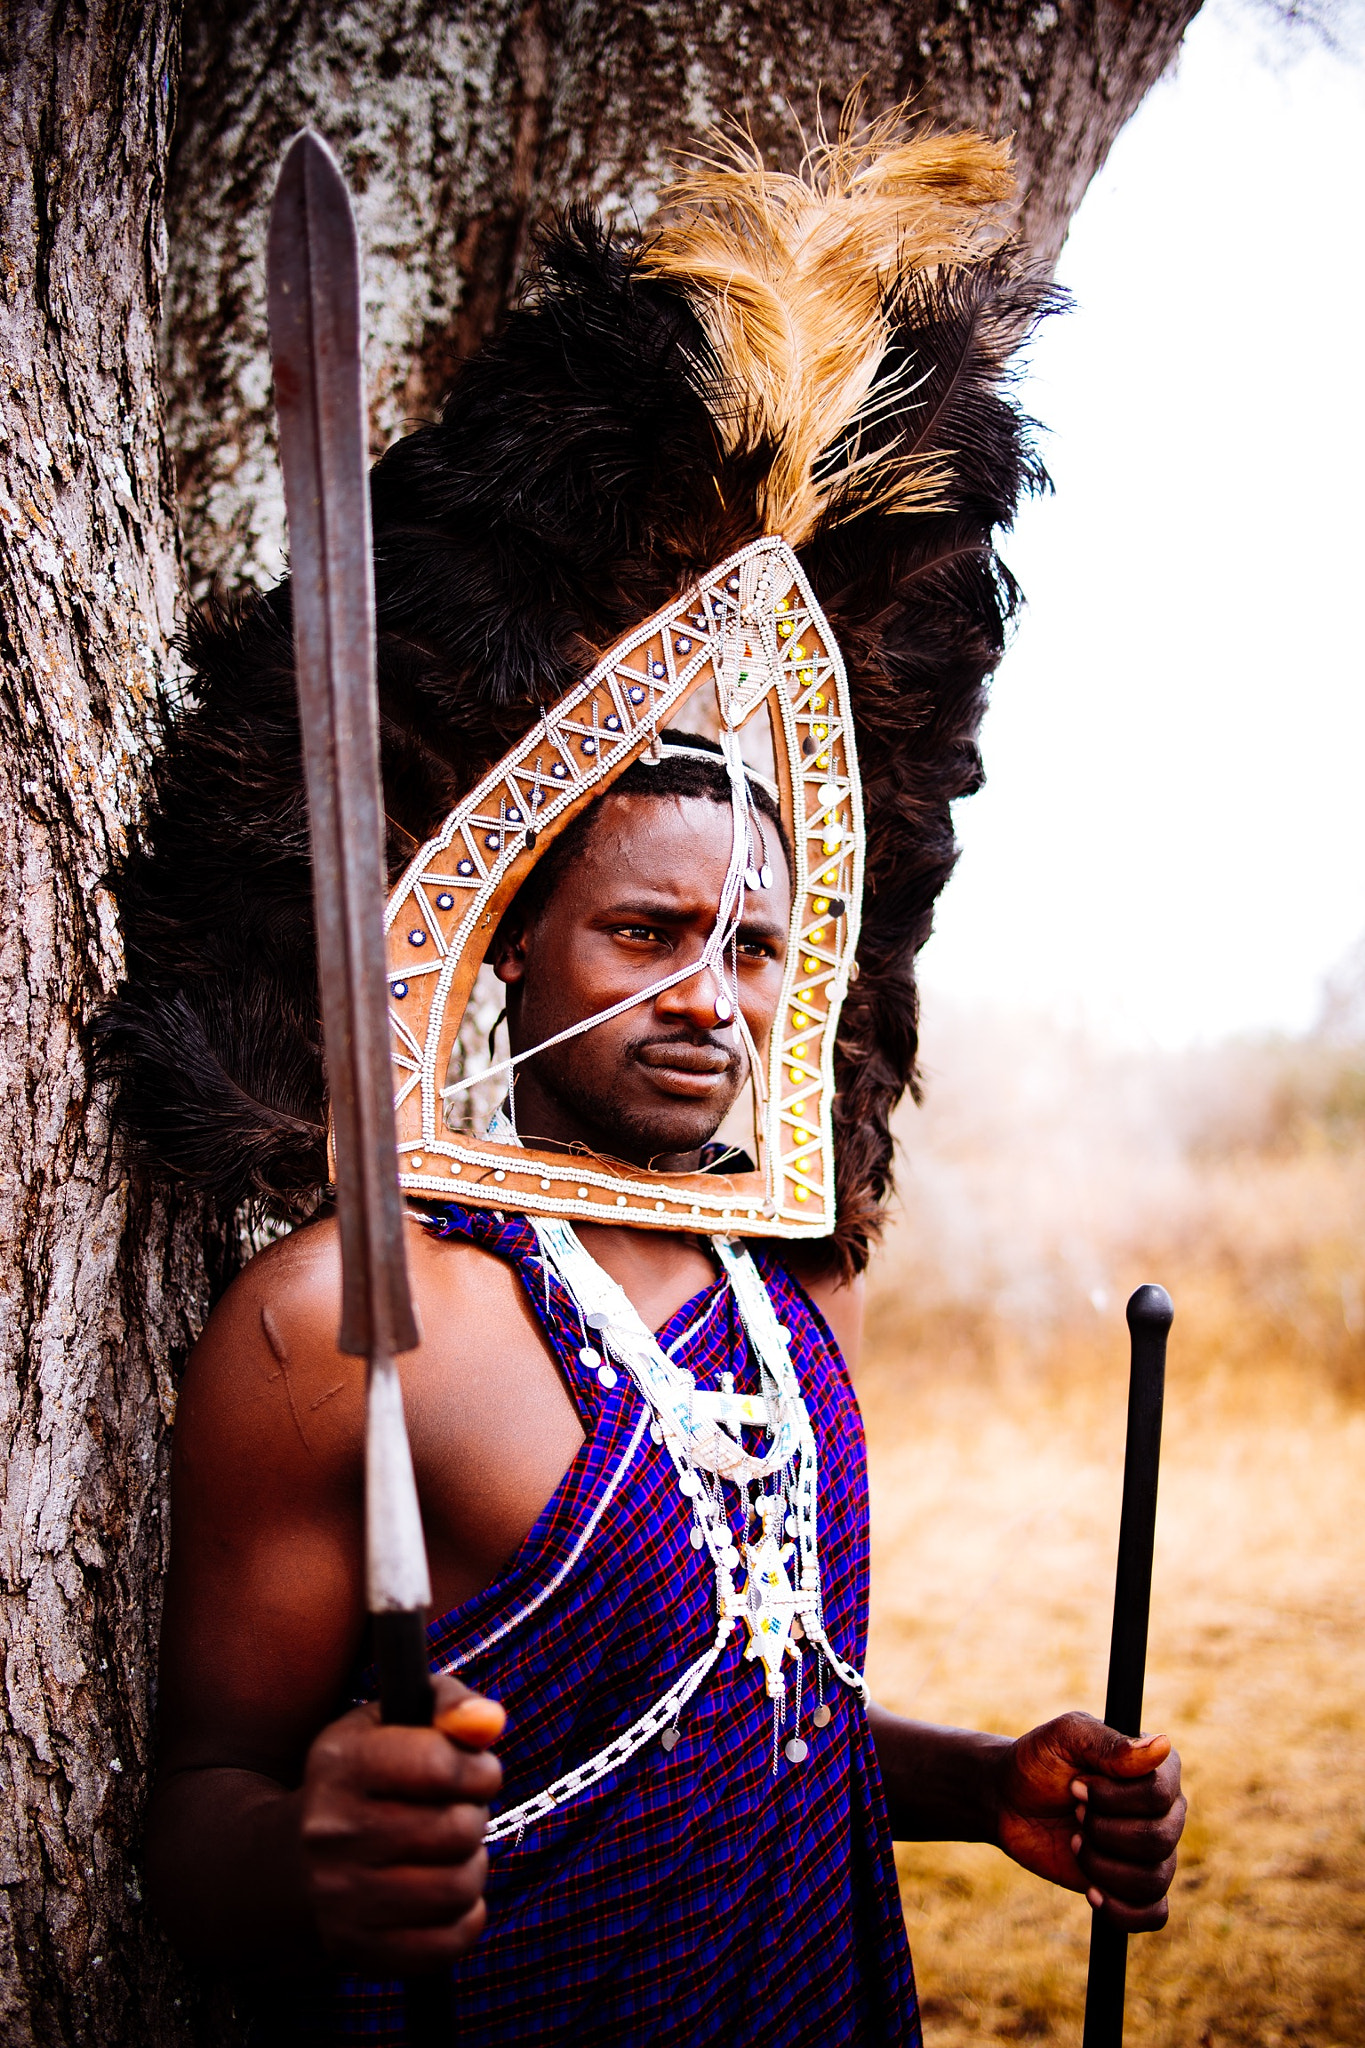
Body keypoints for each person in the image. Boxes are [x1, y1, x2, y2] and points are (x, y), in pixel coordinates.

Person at [102, 120, 1185, 2046]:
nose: (712, 996)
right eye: (643, 935)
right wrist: (312, 1864)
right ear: (512, 943)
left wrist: (981, 1787)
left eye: (756, 948)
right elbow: (197, 1815)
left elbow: (756, 1719)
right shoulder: (351, 1326)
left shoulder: (796, 1296)